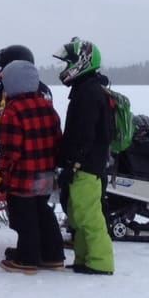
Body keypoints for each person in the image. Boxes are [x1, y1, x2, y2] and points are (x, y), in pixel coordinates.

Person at [0, 58, 66, 273]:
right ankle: (53, 255)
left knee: (24, 217)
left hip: (22, 175)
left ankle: (26, 259)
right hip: (46, 173)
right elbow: (58, 140)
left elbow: (10, 150)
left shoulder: (13, 111)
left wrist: (2, 175)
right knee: (42, 211)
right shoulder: (47, 106)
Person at [54, 37, 115, 275]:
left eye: (68, 62)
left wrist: (73, 163)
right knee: (77, 215)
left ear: (82, 62)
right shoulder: (85, 89)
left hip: (87, 166)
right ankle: (83, 258)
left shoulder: (89, 94)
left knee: (89, 216)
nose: (65, 68)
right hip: (85, 164)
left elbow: (84, 134)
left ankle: (100, 261)